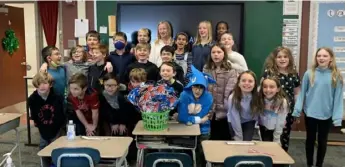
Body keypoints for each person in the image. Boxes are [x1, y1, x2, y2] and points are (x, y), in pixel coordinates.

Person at [292, 47, 344, 167]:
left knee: (322, 142)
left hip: (326, 115)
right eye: (319, 55)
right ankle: (310, 164)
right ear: (316, 58)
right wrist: (297, 111)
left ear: (331, 58)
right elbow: (301, 94)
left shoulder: (336, 76)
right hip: (310, 113)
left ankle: (319, 164)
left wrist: (337, 118)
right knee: (309, 141)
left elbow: (338, 100)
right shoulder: (309, 73)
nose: (321, 58)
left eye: (325, 56)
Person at [262, 46, 300, 151]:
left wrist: (297, 110)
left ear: (290, 58)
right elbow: (262, 90)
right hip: (270, 111)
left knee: (284, 136)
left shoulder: (293, 74)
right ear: (274, 59)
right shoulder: (269, 72)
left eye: (285, 57)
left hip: (288, 111)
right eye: (279, 57)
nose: (282, 59)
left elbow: (296, 92)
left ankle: (282, 160)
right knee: (269, 136)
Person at [178, 65, 215, 167]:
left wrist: (191, 119)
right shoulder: (184, 95)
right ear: (191, 86)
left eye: (201, 88)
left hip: (204, 129)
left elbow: (205, 116)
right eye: (195, 87)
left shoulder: (208, 97)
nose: (198, 91)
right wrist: (199, 119)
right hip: (186, 129)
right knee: (186, 153)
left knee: (201, 154)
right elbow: (182, 117)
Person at [28, 72, 65, 167]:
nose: (42, 86)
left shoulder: (57, 96)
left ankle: (57, 163)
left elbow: (61, 114)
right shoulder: (32, 99)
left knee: (56, 147)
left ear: (51, 84)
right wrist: (38, 126)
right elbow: (34, 116)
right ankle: (45, 164)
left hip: (56, 127)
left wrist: (61, 126)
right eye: (39, 84)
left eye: (45, 83)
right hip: (42, 127)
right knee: (43, 147)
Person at [203, 44, 237, 140]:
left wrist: (224, 110)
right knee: (208, 139)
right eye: (213, 52)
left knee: (223, 139)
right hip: (208, 112)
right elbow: (204, 89)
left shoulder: (231, 71)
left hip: (224, 113)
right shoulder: (206, 68)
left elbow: (229, 93)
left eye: (219, 52)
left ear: (224, 54)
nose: (216, 55)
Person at [227, 71, 263, 141]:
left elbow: (257, 115)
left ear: (255, 84)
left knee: (247, 141)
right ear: (238, 83)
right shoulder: (232, 98)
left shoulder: (257, 96)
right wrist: (238, 136)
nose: (247, 83)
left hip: (249, 120)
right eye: (243, 81)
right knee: (238, 141)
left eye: (250, 81)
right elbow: (235, 118)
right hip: (234, 121)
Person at [258, 77, 288, 144]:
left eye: (271, 87)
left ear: (278, 89)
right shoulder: (259, 99)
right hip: (263, 129)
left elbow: (280, 121)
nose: (268, 89)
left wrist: (276, 138)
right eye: (265, 87)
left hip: (276, 131)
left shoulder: (282, 102)